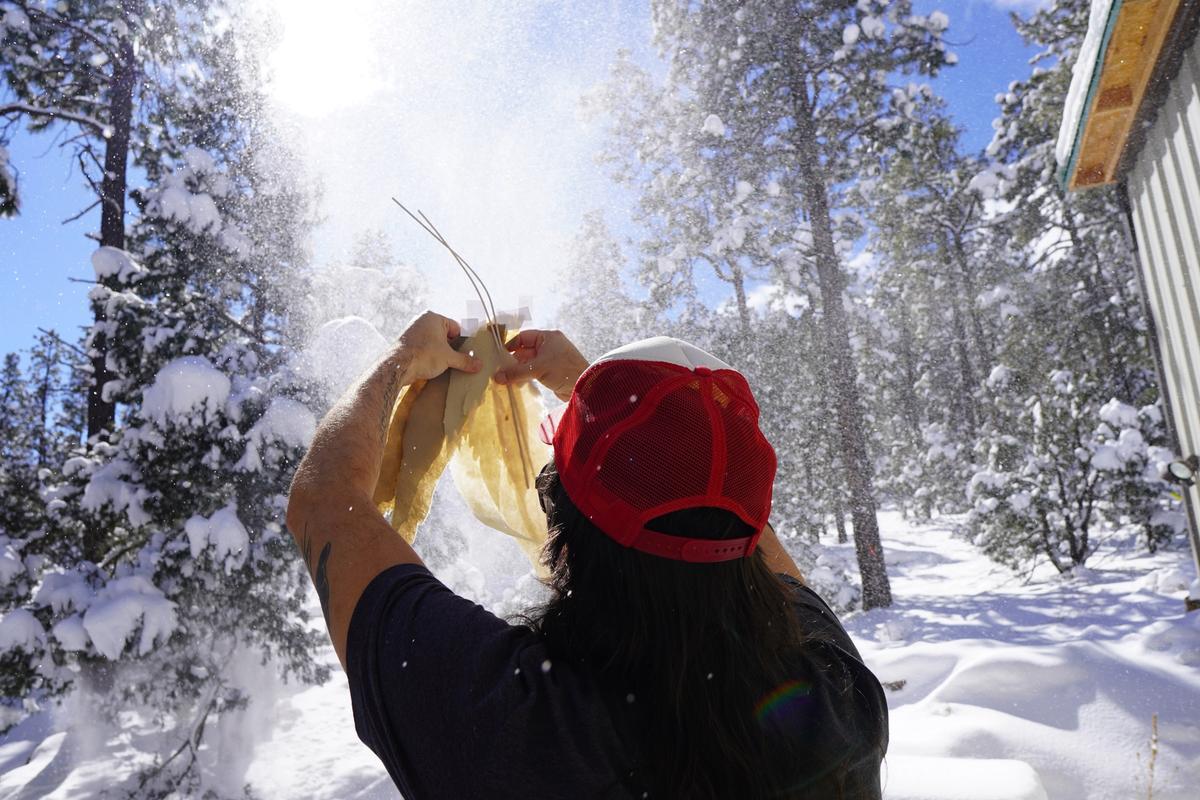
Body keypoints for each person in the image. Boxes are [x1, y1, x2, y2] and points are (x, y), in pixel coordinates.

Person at [286, 311, 888, 800]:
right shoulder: (839, 707)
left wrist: (403, 361)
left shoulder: (516, 725)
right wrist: (598, 391)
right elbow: (728, 527)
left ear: (564, 522)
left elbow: (323, 500)